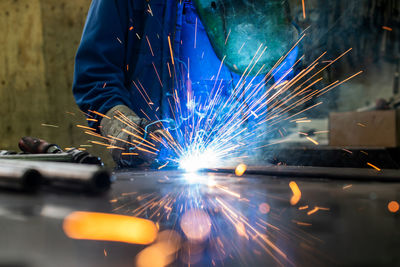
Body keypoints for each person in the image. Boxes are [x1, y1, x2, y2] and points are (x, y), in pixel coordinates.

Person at [73, 0, 299, 167]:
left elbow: (282, 55)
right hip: (158, 172)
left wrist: (282, 89)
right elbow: (95, 75)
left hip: (248, 170)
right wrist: (120, 123)